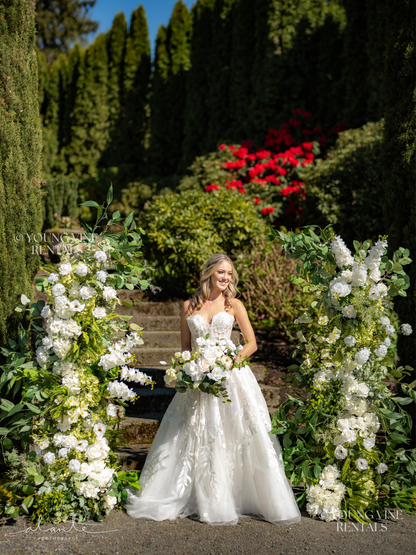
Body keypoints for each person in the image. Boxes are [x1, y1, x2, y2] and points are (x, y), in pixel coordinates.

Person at [125, 253, 301, 526]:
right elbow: (185, 349)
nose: (226, 277)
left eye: (229, 274)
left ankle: (232, 495)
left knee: (232, 433)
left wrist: (230, 363)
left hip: (230, 378)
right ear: (208, 273)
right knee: (192, 433)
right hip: (197, 380)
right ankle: (192, 494)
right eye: (221, 272)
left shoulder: (234, 305)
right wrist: (190, 370)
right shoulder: (188, 306)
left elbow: (251, 343)